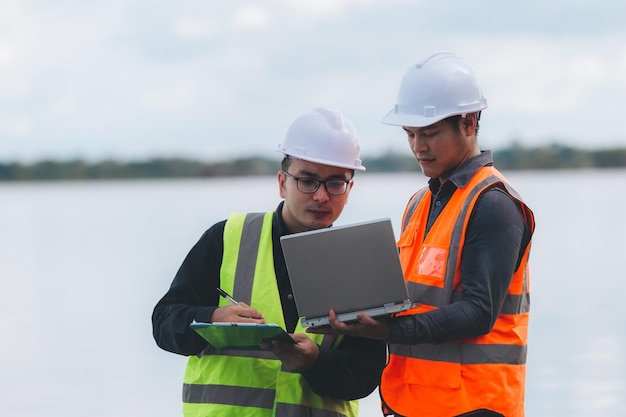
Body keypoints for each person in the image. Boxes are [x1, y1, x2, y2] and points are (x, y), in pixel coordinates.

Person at [308, 52, 536, 417]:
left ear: (469, 122)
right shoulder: (420, 203)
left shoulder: (494, 204)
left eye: (429, 133)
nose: (418, 147)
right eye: (410, 134)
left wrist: (386, 331)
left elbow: (478, 313)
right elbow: (411, 300)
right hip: (412, 403)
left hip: (474, 406)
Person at [152, 107, 386, 417]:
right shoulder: (226, 238)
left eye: (335, 183)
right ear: (282, 182)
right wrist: (211, 317)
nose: (320, 196)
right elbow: (164, 323)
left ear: (349, 189)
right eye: (307, 180)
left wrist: (316, 362)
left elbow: (365, 376)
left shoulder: (360, 265)